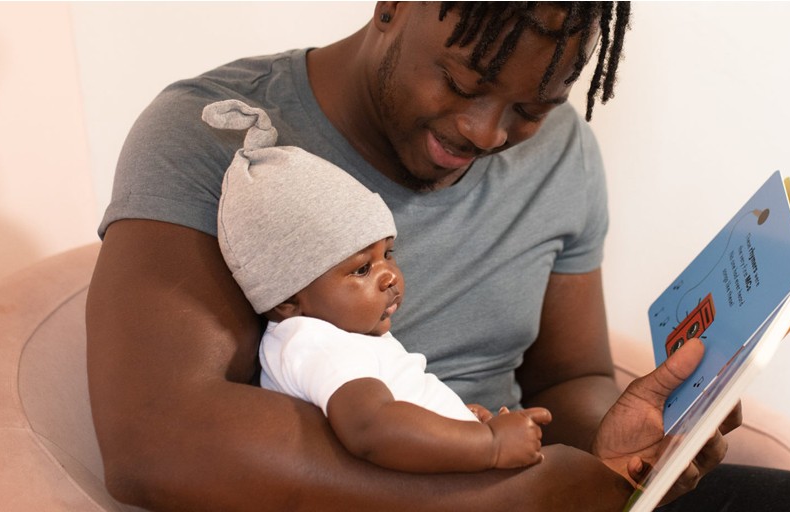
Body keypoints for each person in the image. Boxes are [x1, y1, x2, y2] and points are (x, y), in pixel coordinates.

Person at [87, 3, 790, 511]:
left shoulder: (561, 153)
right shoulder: (213, 133)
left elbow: (566, 384)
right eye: (460, 83)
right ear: (392, 4)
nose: (487, 133)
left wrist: (633, 432)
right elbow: (155, 441)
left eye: (533, 103)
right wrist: (496, 498)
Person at [203, 98, 554, 473]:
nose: (388, 275)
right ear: (287, 300)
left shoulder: (345, 337)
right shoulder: (313, 343)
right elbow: (373, 429)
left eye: (388, 252)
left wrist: (457, 421)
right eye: (361, 270)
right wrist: (490, 444)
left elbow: (399, 411)